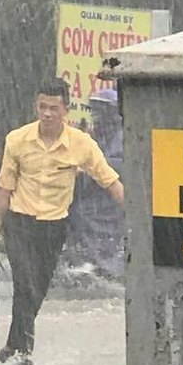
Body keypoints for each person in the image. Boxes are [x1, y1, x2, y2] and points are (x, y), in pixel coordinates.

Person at [0, 78, 124, 365]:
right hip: (19, 223)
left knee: (34, 293)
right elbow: (3, 189)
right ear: (36, 107)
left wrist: (140, 218)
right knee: (25, 285)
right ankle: (24, 355)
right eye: (42, 107)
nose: (47, 114)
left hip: (53, 228)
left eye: (54, 108)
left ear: (65, 110)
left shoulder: (82, 144)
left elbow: (110, 181)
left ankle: (10, 347)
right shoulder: (17, 140)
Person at [67, 88, 124, 278]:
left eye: (100, 109)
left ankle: (99, 261)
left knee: (84, 215)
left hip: (108, 198)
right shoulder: (95, 135)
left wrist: (87, 173)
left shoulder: (121, 135)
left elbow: (116, 166)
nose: (96, 115)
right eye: (94, 110)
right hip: (90, 193)